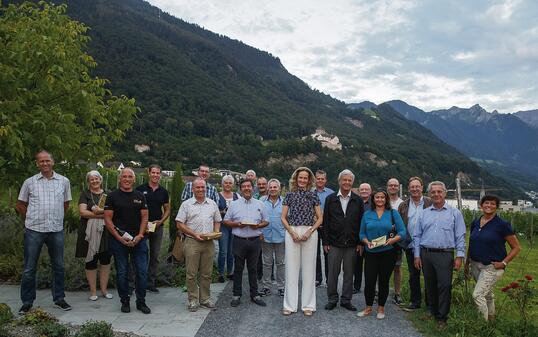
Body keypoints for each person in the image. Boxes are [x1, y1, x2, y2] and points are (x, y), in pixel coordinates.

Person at [16, 150, 72, 314]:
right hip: (34, 230)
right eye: (41, 161)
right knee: (29, 268)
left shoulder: (63, 181)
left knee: (59, 266)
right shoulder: (29, 182)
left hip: (56, 230)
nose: (45, 163)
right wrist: (30, 219)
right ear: (37, 164)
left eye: (47, 160)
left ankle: (59, 299)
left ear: (53, 162)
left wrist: (57, 217)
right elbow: (20, 204)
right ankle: (27, 302)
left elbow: (66, 204)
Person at [413, 181, 466, 328]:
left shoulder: (455, 213)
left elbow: (460, 236)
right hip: (426, 253)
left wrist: (459, 256)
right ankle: (431, 310)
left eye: (439, 191)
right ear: (429, 194)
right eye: (433, 192)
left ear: (445, 193)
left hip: (445, 254)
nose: (436, 194)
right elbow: (417, 236)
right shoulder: (424, 213)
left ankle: (442, 317)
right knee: (429, 284)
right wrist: (417, 255)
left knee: (444, 285)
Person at [465, 195, 520, 321]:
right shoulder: (476, 222)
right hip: (474, 264)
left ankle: (481, 325)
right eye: (486, 203)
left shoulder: (502, 225)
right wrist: (467, 262)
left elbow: (516, 247)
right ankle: (491, 321)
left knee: (477, 295)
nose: (489, 206)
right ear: (481, 205)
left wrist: (504, 263)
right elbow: (472, 242)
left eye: (492, 204)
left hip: (491, 266)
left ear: (497, 207)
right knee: (487, 294)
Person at [104, 168, 151, 314]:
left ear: (134, 179)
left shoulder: (140, 196)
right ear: (120, 179)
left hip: (138, 240)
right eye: (124, 176)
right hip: (118, 241)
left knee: (142, 272)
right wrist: (119, 238)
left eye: (130, 176)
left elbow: (144, 217)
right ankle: (125, 301)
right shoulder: (112, 196)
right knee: (122, 272)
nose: (127, 179)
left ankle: (141, 302)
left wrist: (140, 235)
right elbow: (107, 219)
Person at [357, 189, 405, 320]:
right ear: (373, 199)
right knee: (369, 281)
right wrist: (366, 242)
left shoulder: (393, 213)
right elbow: (361, 234)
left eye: (382, 197)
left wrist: (393, 240)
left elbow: (402, 232)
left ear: (386, 199)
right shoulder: (367, 214)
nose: (379, 200)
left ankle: (381, 308)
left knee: (384, 281)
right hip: (371, 253)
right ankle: (368, 308)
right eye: (377, 197)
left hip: (388, 253)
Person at [281, 167, 322, 316]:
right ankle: (289, 305)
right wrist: (292, 232)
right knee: (291, 269)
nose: (302, 180)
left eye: (305, 178)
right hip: (292, 231)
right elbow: (283, 217)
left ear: (309, 180)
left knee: (309, 270)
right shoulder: (289, 195)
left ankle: (308, 305)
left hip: (309, 232)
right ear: (296, 179)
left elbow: (320, 218)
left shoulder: (313, 195)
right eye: (300, 178)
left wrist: (309, 231)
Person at [176, 178, 222, 311]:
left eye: (203, 187)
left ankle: (205, 299)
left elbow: (217, 220)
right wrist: (194, 234)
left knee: (206, 273)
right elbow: (179, 223)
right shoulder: (186, 204)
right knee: (191, 274)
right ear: (193, 189)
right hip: (192, 242)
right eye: (198, 187)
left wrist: (216, 232)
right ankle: (193, 300)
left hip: (209, 242)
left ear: (206, 188)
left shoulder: (212, 203)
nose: (201, 189)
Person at [223, 179, 269, 307]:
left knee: (253, 269)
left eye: (249, 186)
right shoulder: (234, 204)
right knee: (238, 269)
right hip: (239, 240)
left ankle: (255, 295)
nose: (247, 188)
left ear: (253, 188)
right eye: (244, 187)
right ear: (241, 189)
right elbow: (226, 221)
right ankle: (236, 295)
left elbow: (266, 221)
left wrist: (258, 225)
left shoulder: (260, 204)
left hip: (254, 241)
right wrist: (237, 224)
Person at [323, 170, 364, 311]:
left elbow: (361, 223)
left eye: (349, 180)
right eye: (344, 180)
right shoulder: (330, 199)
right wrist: (325, 242)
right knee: (332, 273)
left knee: (349, 273)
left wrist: (360, 242)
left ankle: (346, 300)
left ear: (352, 182)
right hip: (334, 243)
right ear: (339, 181)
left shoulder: (358, 200)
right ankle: (332, 299)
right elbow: (326, 221)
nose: (347, 182)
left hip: (352, 244)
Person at [75, 170, 112, 301]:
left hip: (106, 231)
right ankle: (93, 291)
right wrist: (101, 215)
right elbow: (82, 212)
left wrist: (100, 214)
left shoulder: (108, 194)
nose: (95, 181)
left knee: (105, 260)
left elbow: (113, 211)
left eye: (97, 179)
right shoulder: (85, 194)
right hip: (88, 232)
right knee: (91, 260)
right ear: (88, 182)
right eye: (92, 179)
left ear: (101, 180)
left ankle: (104, 290)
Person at [397, 177, 432, 312]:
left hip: (427, 245)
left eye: (417, 186)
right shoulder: (403, 205)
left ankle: (430, 304)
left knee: (428, 275)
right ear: (408, 188)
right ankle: (415, 301)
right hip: (410, 245)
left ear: (422, 188)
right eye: (412, 187)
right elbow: (400, 225)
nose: (415, 189)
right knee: (413, 275)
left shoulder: (430, 203)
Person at [136, 165, 170, 293]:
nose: (155, 175)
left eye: (158, 173)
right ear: (149, 173)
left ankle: (150, 283)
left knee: (154, 255)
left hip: (157, 227)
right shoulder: (140, 189)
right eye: (153, 172)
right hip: (142, 227)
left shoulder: (163, 191)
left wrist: (161, 221)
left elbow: (167, 209)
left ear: (160, 174)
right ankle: (137, 282)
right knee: (140, 254)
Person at [260, 179, 286, 297]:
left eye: (275, 187)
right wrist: (259, 232)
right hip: (266, 236)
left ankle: (281, 287)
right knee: (267, 263)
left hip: (281, 236)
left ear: (279, 189)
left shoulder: (285, 201)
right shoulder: (261, 201)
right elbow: (258, 218)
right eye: (271, 187)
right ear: (268, 188)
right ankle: (266, 287)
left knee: (281, 263)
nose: (273, 189)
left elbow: (288, 218)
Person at [313, 170, 334, 287]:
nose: (320, 180)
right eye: (318, 178)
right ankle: (317, 278)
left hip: (327, 227)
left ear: (325, 180)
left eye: (322, 179)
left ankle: (329, 278)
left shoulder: (331, 193)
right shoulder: (310, 192)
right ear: (315, 179)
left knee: (328, 252)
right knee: (314, 253)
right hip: (313, 226)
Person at [217, 175, 239, 282]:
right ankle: (220, 273)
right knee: (223, 251)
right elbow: (214, 211)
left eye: (230, 183)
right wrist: (222, 212)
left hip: (233, 226)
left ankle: (230, 272)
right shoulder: (217, 195)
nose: (228, 185)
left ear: (233, 184)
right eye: (226, 182)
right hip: (222, 226)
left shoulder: (236, 196)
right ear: (222, 184)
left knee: (231, 251)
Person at [387, 177, 404, 305]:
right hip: (382, 238)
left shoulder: (402, 203)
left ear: (398, 187)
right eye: (390, 185)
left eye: (395, 185)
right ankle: (378, 291)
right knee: (380, 266)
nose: (393, 187)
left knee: (397, 267)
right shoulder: (382, 200)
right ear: (387, 186)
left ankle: (397, 293)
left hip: (397, 239)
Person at [353, 183, 372, 294]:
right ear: (359, 191)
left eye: (366, 189)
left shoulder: (373, 204)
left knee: (370, 265)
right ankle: (356, 286)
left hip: (370, 239)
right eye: (362, 189)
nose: (364, 191)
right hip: (358, 238)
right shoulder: (355, 202)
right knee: (357, 264)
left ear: (370, 191)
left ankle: (370, 288)